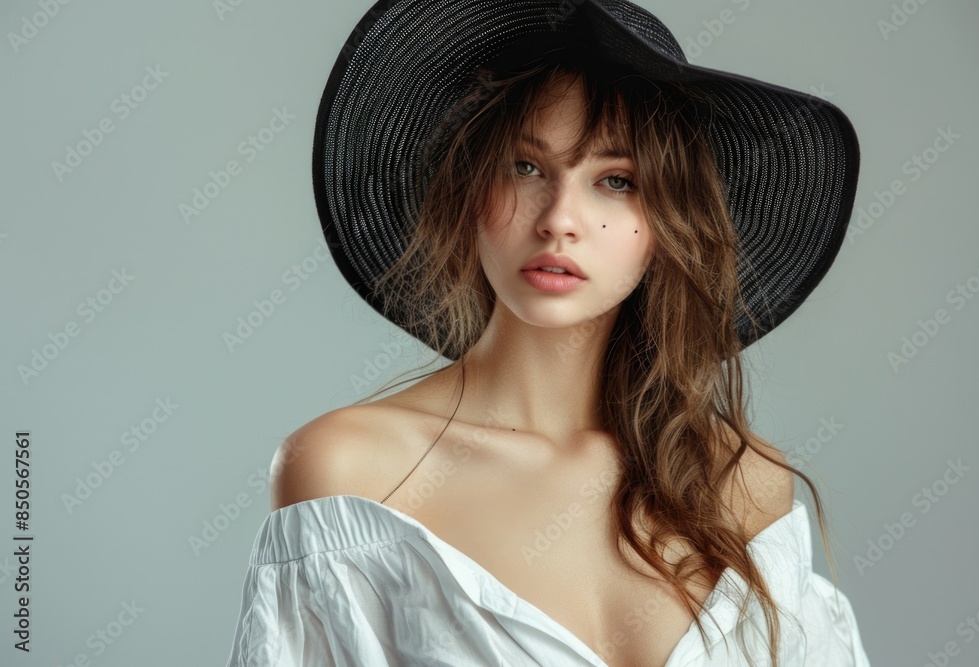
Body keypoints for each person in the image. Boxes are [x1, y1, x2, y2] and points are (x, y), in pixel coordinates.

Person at [226, 1, 870, 665]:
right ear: (470, 189)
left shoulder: (743, 479)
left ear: (668, 226)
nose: (560, 219)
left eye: (616, 181)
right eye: (526, 167)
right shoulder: (350, 472)